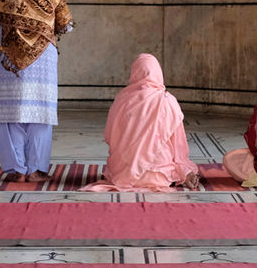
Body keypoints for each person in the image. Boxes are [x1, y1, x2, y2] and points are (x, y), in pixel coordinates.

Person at [0, 0, 73, 183]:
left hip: (8, 53)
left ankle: (17, 170)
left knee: (9, 111)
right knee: (41, 111)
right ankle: (36, 170)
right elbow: (65, 25)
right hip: (43, 56)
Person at [82, 54, 200, 192]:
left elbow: (109, 136)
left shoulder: (122, 99)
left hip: (123, 173)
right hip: (160, 175)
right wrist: (184, 171)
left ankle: (128, 173)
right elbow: (178, 146)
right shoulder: (167, 100)